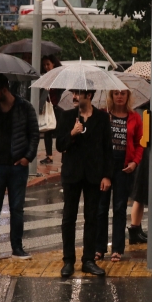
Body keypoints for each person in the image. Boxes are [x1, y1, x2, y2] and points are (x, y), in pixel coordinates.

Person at [0, 73, 39, 263]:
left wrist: (28, 157)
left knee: (17, 209)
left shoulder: (24, 107)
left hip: (17, 166)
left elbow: (34, 134)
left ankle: (17, 248)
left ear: (4, 89)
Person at [57, 88, 113, 277]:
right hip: (72, 174)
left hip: (93, 175)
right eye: (73, 93)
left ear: (88, 96)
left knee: (92, 217)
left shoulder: (102, 118)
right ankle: (68, 260)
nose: (74, 96)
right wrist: (72, 133)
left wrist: (107, 176)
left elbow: (107, 148)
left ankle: (88, 259)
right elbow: (59, 145)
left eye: (78, 94)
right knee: (68, 218)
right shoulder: (67, 116)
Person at [95, 89, 143, 263]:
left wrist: (135, 162)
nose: (119, 96)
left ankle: (117, 249)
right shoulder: (103, 115)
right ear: (111, 95)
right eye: (116, 93)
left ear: (128, 96)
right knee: (101, 208)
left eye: (123, 93)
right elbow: (96, 141)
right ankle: (99, 248)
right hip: (105, 167)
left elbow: (139, 144)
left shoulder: (134, 117)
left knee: (119, 208)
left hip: (124, 168)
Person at [39, 54, 63, 165]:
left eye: (48, 64)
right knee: (48, 131)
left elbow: (61, 92)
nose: (46, 67)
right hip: (49, 107)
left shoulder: (59, 76)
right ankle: (49, 156)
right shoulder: (44, 77)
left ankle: (64, 153)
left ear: (53, 64)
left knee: (61, 131)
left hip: (59, 107)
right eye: (44, 65)